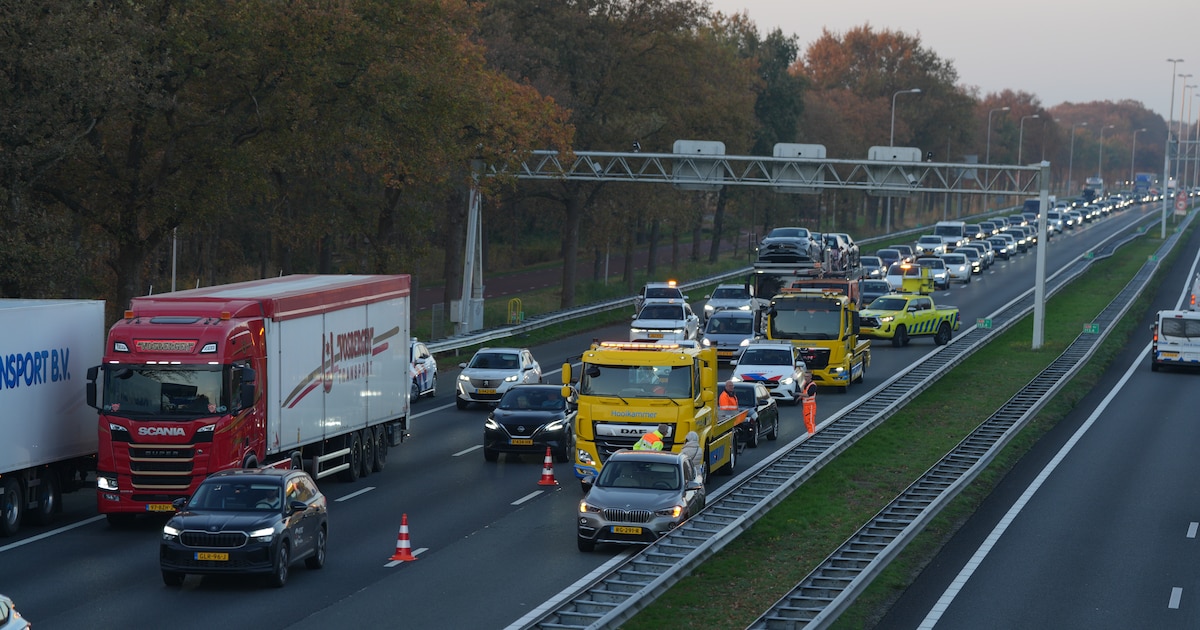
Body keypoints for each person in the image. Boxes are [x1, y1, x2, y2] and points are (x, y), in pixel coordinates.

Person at [801, 368, 817, 434]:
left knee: (810, 422)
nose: (806, 378)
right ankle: (810, 434)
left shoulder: (813, 385)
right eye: (805, 376)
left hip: (810, 406)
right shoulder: (805, 384)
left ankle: (812, 436)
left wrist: (798, 394)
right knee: (806, 422)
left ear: (810, 377)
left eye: (807, 376)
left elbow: (808, 395)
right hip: (805, 407)